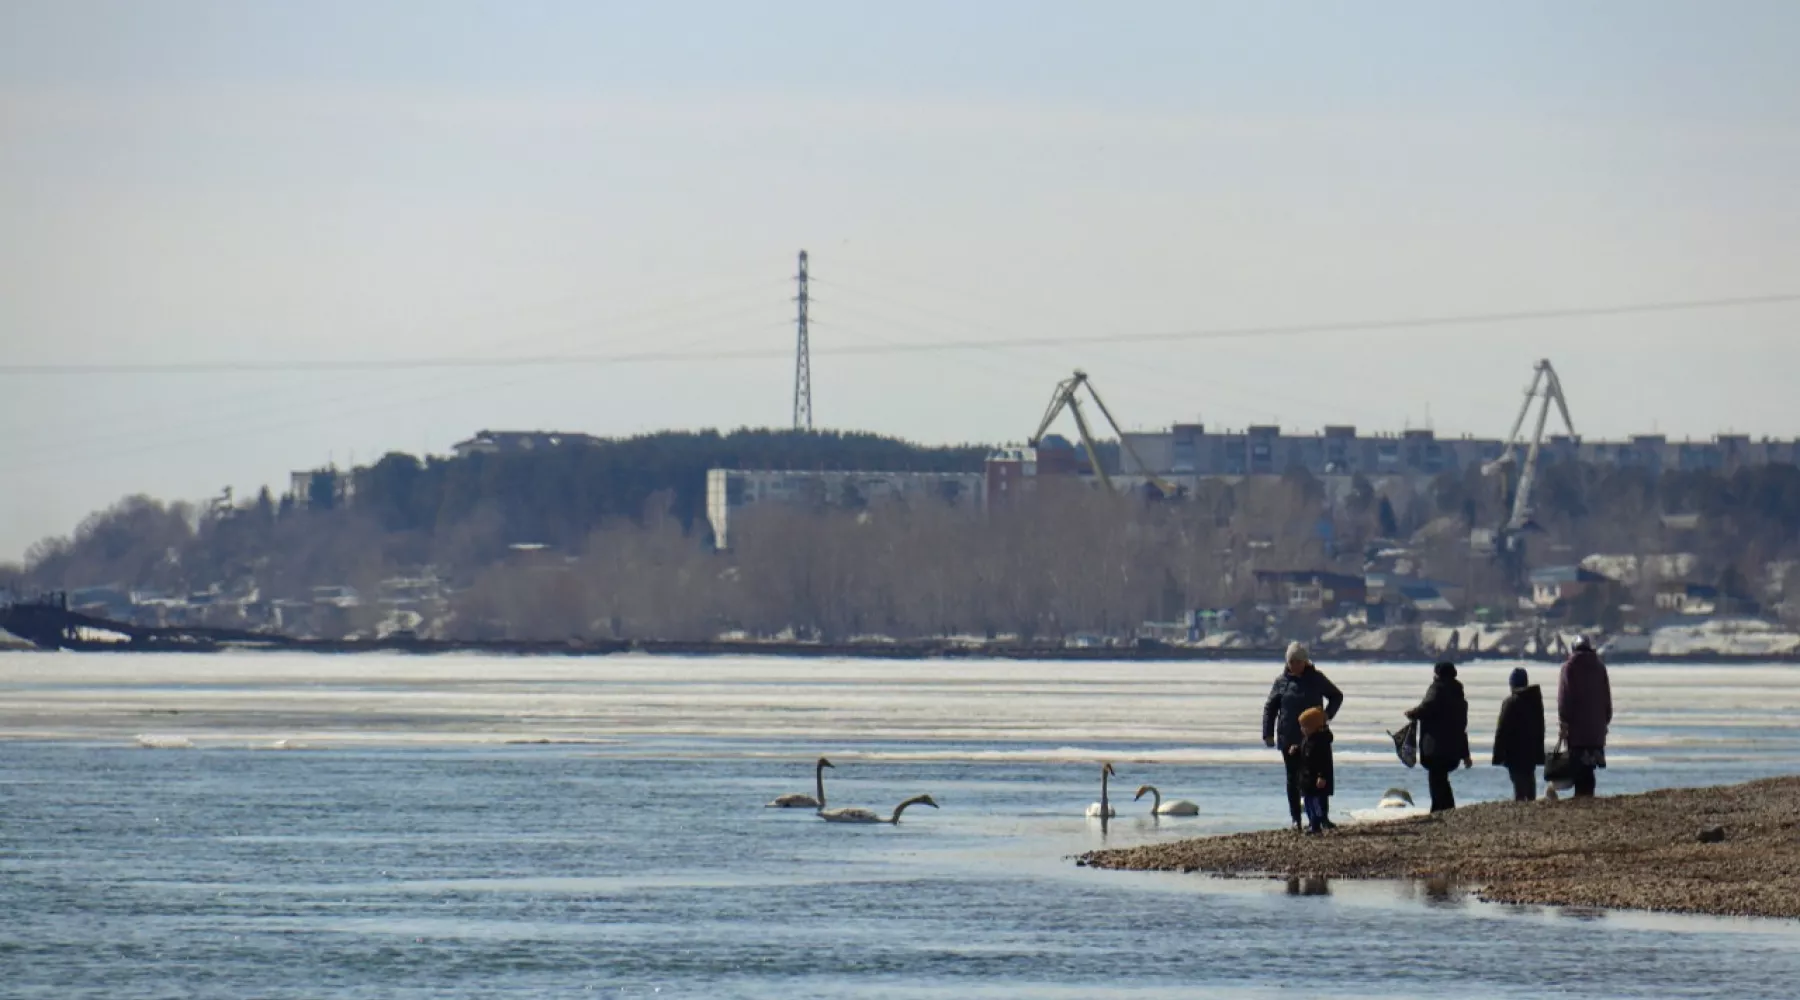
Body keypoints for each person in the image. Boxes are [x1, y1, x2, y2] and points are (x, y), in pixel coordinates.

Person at [1262, 641, 1344, 832]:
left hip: (1315, 738)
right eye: (1291, 661)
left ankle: (1322, 817)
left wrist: (1326, 716)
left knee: (1319, 776)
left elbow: (1336, 696)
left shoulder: (1316, 678)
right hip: (1289, 736)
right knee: (1293, 779)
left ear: (1305, 661)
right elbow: (1270, 707)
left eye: (1298, 661)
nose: (1295, 665)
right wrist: (1268, 733)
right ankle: (1296, 818)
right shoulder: (1281, 682)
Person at [1405, 661, 1471, 813]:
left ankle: (1440, 808)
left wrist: (1413, 714)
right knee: (1441, 778)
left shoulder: (1437, 688)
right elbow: (1462, 727)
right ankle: (1446, 808)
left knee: (1436, 778)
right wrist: (1465, 753)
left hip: (1436, 746)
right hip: (1453, 747)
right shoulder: (1458, 694)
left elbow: (1428, 706)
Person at [1558, 636, 1613, 798]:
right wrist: (1604, 721)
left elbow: (1564, 698)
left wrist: (1564, 722)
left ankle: (1582, 798)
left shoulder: (1569, 668)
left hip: (1577, 730)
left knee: (1579, 767)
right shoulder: (1600, 668)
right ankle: (1588, 797)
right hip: (1596, 729)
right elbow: (1606, 698)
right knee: (1589, 768)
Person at [1491, 667, 1546, 801]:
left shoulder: (1510, 702)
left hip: (1514, 752)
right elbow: (1541, 728)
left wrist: (1498, 755)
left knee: (1519, 784)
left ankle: (1522, 807)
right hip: (1531, 750)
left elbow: (1502, 730)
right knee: (1529, 778)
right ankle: (1531, 805)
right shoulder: (1535, 701)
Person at [1296, 706, 1334, 834]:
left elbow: (1324, 762)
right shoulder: (1308, 739)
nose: (1302, 730)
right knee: (1308, 802)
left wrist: (1322, 776)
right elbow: (1305, 754)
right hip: (1308, 778)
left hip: (1316, 779)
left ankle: (1316, 823)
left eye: (1304, 727)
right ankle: (1313, 823)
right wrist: (1296, 750)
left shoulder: (1321, 741)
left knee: (1315, 803)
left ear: (1314, 727)